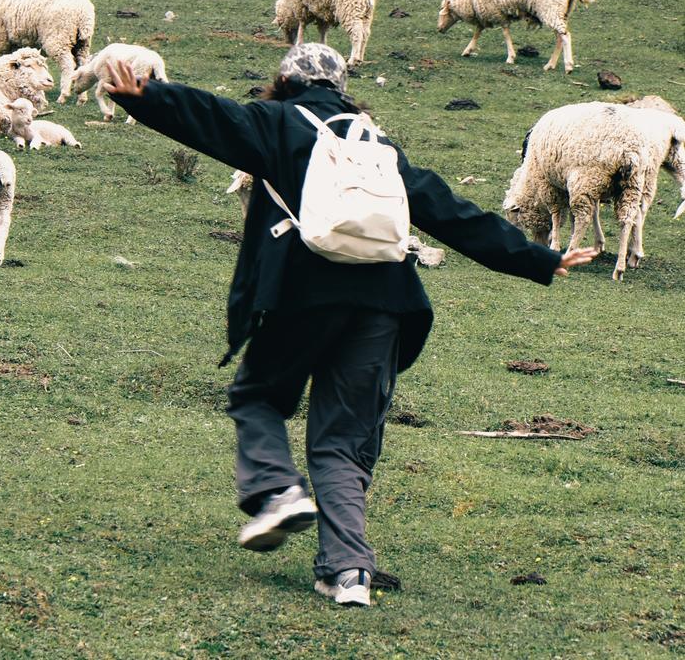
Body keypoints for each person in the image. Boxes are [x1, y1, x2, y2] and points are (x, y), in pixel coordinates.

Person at [104, 43, 596, 607]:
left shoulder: (275, 120)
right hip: (386, 302)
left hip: (305, 295)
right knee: (342, 444)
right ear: (342, 86)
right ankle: (349, 574)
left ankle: (277, 493)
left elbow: (214, 117)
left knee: (258, 397)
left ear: (283, 81)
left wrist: (148, 98)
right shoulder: (375, 142)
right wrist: (537, 257)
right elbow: (448, 209)